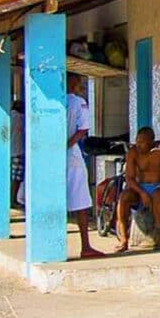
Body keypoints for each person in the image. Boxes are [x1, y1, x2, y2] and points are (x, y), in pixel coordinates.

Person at [114, 127, 160, 253]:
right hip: (141, 187)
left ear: (151, 142)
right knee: (124, 197)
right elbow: (129, 178)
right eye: (137, 141)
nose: (138, 144)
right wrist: (142, 193)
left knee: (157, 195)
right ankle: (123, 239)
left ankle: (159, 236)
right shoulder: (133, 153)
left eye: (143, 141)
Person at [66, 73, 103, 259]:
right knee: (81, 201)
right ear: (73, 84)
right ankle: (85, 246)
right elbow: (83, 129)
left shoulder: (53, 101)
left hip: (49, 156)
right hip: (71, 156)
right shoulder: (78, 102)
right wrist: (68, 144)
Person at [10, 101, 24, 208]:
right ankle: (13, 200)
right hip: (18, 151)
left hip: (12, 151)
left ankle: (12, 199)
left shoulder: (9, 116)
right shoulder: (19, 118)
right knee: (16, 178)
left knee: (14, 177)